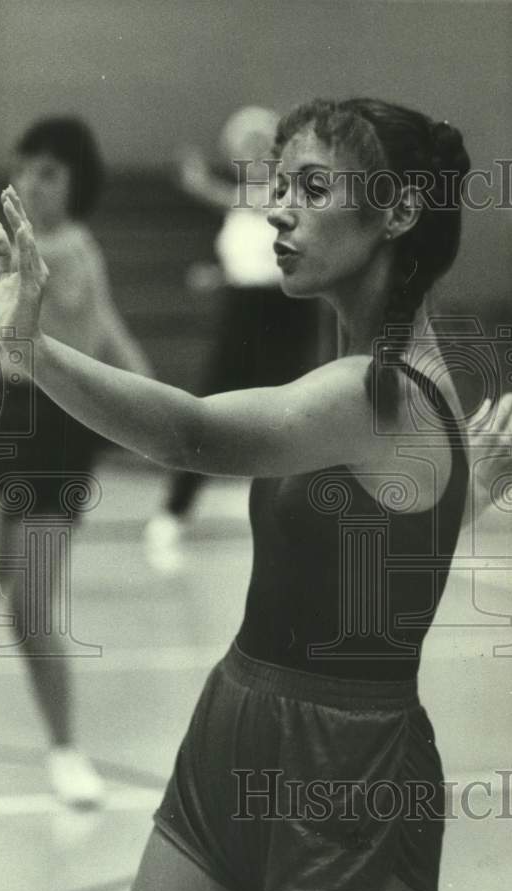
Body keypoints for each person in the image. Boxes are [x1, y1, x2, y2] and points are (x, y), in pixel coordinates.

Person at [0, 98, 512, 891]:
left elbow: (195, 438)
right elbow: (365, 528)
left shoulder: (375, 392)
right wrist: (460, 496)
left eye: (311, 188)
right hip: (232, 731)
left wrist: (34, 350)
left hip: (350, 768)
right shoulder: (372, 396)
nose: (275, 209)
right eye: (277, 185)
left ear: (399, 210)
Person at [0, 117, 153, 806]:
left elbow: (96, 330)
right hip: (7, 425)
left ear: (77, 184)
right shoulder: (37, 247)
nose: (34, 184)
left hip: (57, 440)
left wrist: (150, 410)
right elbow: (116, 331)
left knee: (31, 614)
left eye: (51, 173)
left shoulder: (68, 249)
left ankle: (66, 752)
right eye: (25, 168)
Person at [144, 106, 321, 573]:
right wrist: (218, 274)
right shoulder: (244, 199)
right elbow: (247, 247)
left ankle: (299, 522)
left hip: (286, 312)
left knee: (293, 414)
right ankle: (172, 514)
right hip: (244, 311)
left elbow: (270, 219)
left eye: (258, 144)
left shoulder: (292, 190)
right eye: (241, 147)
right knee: (208, 411)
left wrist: (201, 186)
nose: (250, 154)